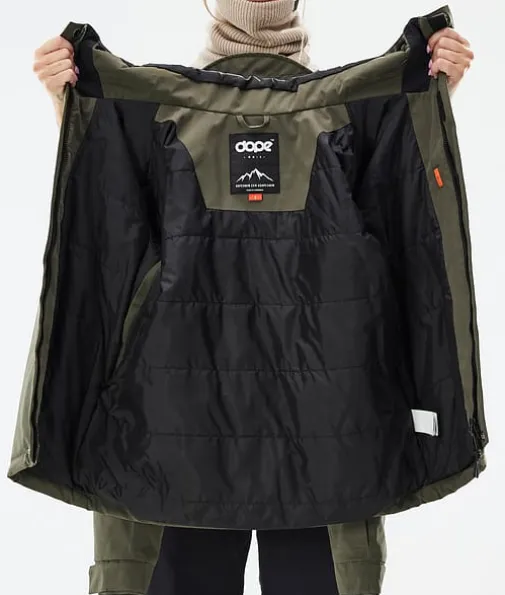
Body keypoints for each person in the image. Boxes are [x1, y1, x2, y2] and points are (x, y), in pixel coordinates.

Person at [31, 1, 475, 594]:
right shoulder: (146, 108)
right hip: (291, 431)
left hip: (185, 433)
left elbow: (400, 210)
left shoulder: (357, 109)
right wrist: (74, 106)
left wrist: (428, 101)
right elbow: (111, 220)